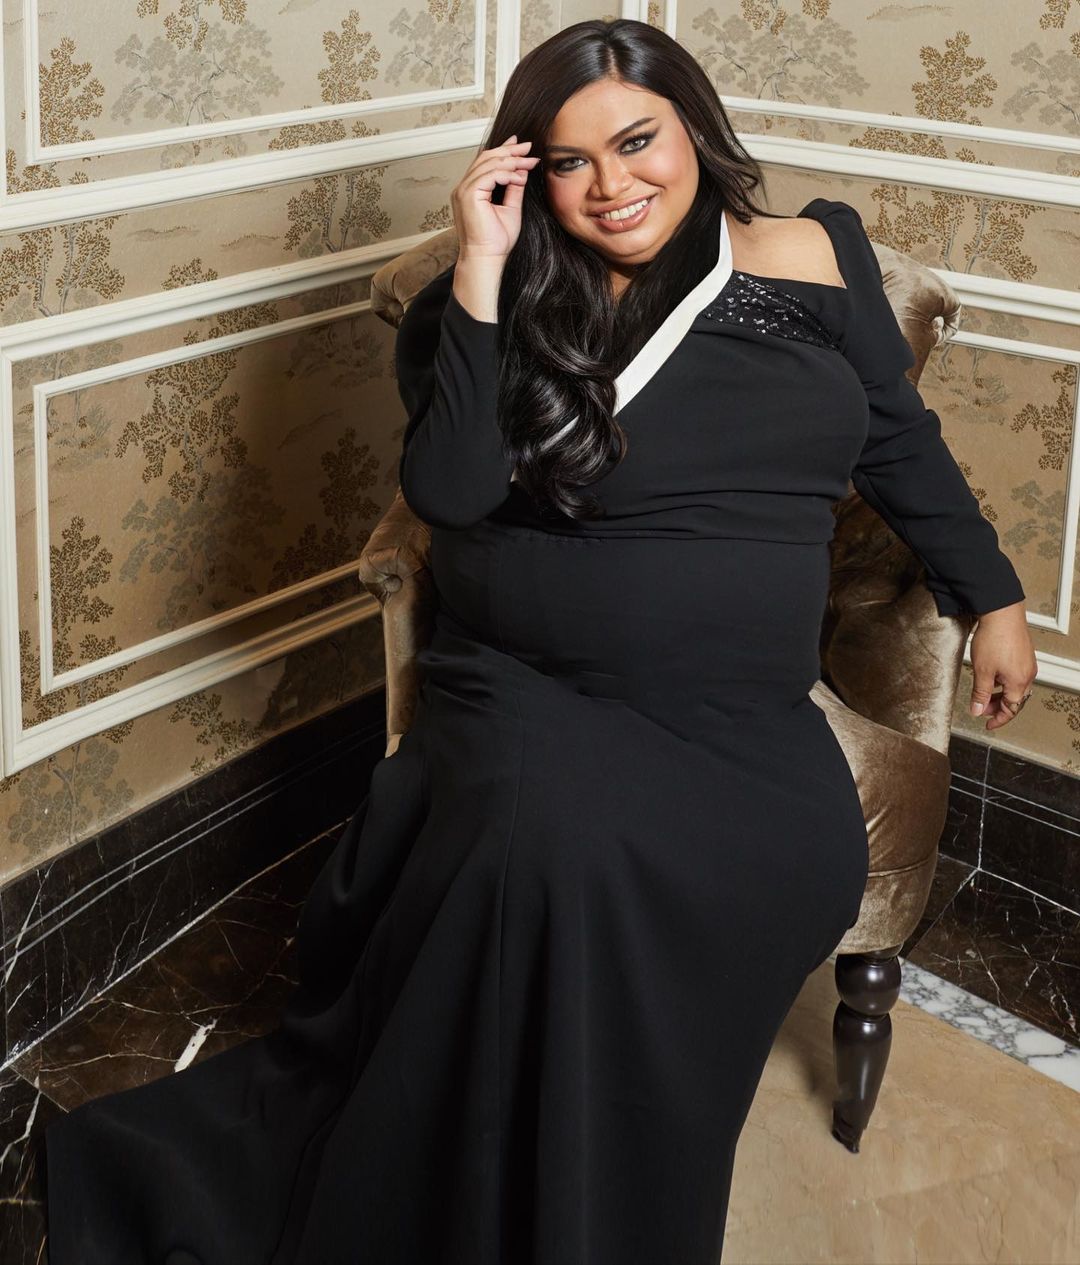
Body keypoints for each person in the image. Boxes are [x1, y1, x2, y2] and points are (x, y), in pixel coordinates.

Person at [42, 17, 1037, 1265]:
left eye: (638, 141)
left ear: (695, 130)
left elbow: (899, 442)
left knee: (792, 856)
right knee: (568, 859)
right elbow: (452, 491)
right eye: (572, 162)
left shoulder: (816, 252)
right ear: (529, 171)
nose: (612, 185)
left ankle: (623, 1158)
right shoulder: (505, 292)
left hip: (741, 710)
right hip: (535, 687)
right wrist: (478, 262)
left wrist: (994, 596)